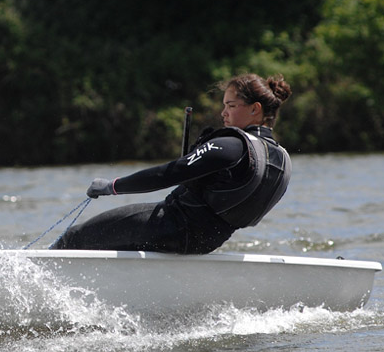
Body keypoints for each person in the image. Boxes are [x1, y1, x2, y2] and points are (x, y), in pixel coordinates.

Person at [51, 74, 292, 254]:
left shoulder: (233, 146)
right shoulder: (282, 159)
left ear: (255, 109)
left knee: (73, 239)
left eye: (231, 105)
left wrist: (113, 186)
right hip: (205, 243)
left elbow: (168, 174)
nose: (223, 113)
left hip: (170, 225)